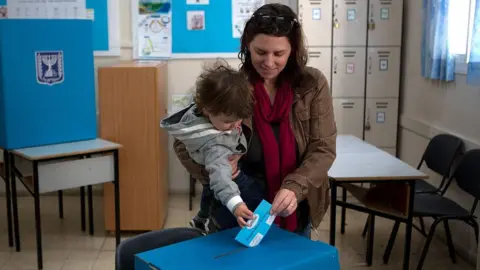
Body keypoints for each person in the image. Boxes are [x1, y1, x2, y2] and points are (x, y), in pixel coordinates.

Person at [174, 3, 337, 237]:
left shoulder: (312, 85)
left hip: (295, 210)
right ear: (247, 46)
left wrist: (294, 188)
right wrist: (215, 170)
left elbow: (323, 149)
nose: (269, 62)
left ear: (293, 51)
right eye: (260, 52)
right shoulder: (233, 87)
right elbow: (183, 141)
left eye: (279, 54)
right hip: (238, 212)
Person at [160, 61, 264, 233]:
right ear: (207, 110)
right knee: (255, 195)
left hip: (216, 177)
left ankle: (202, 218)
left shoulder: (202, 113)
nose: (235, 125)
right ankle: (207, 219)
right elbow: (221, 179)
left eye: (239, 119)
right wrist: (236, 204)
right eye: (228, 121)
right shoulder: (215, 144)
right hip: (230, 178)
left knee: (209, 193)